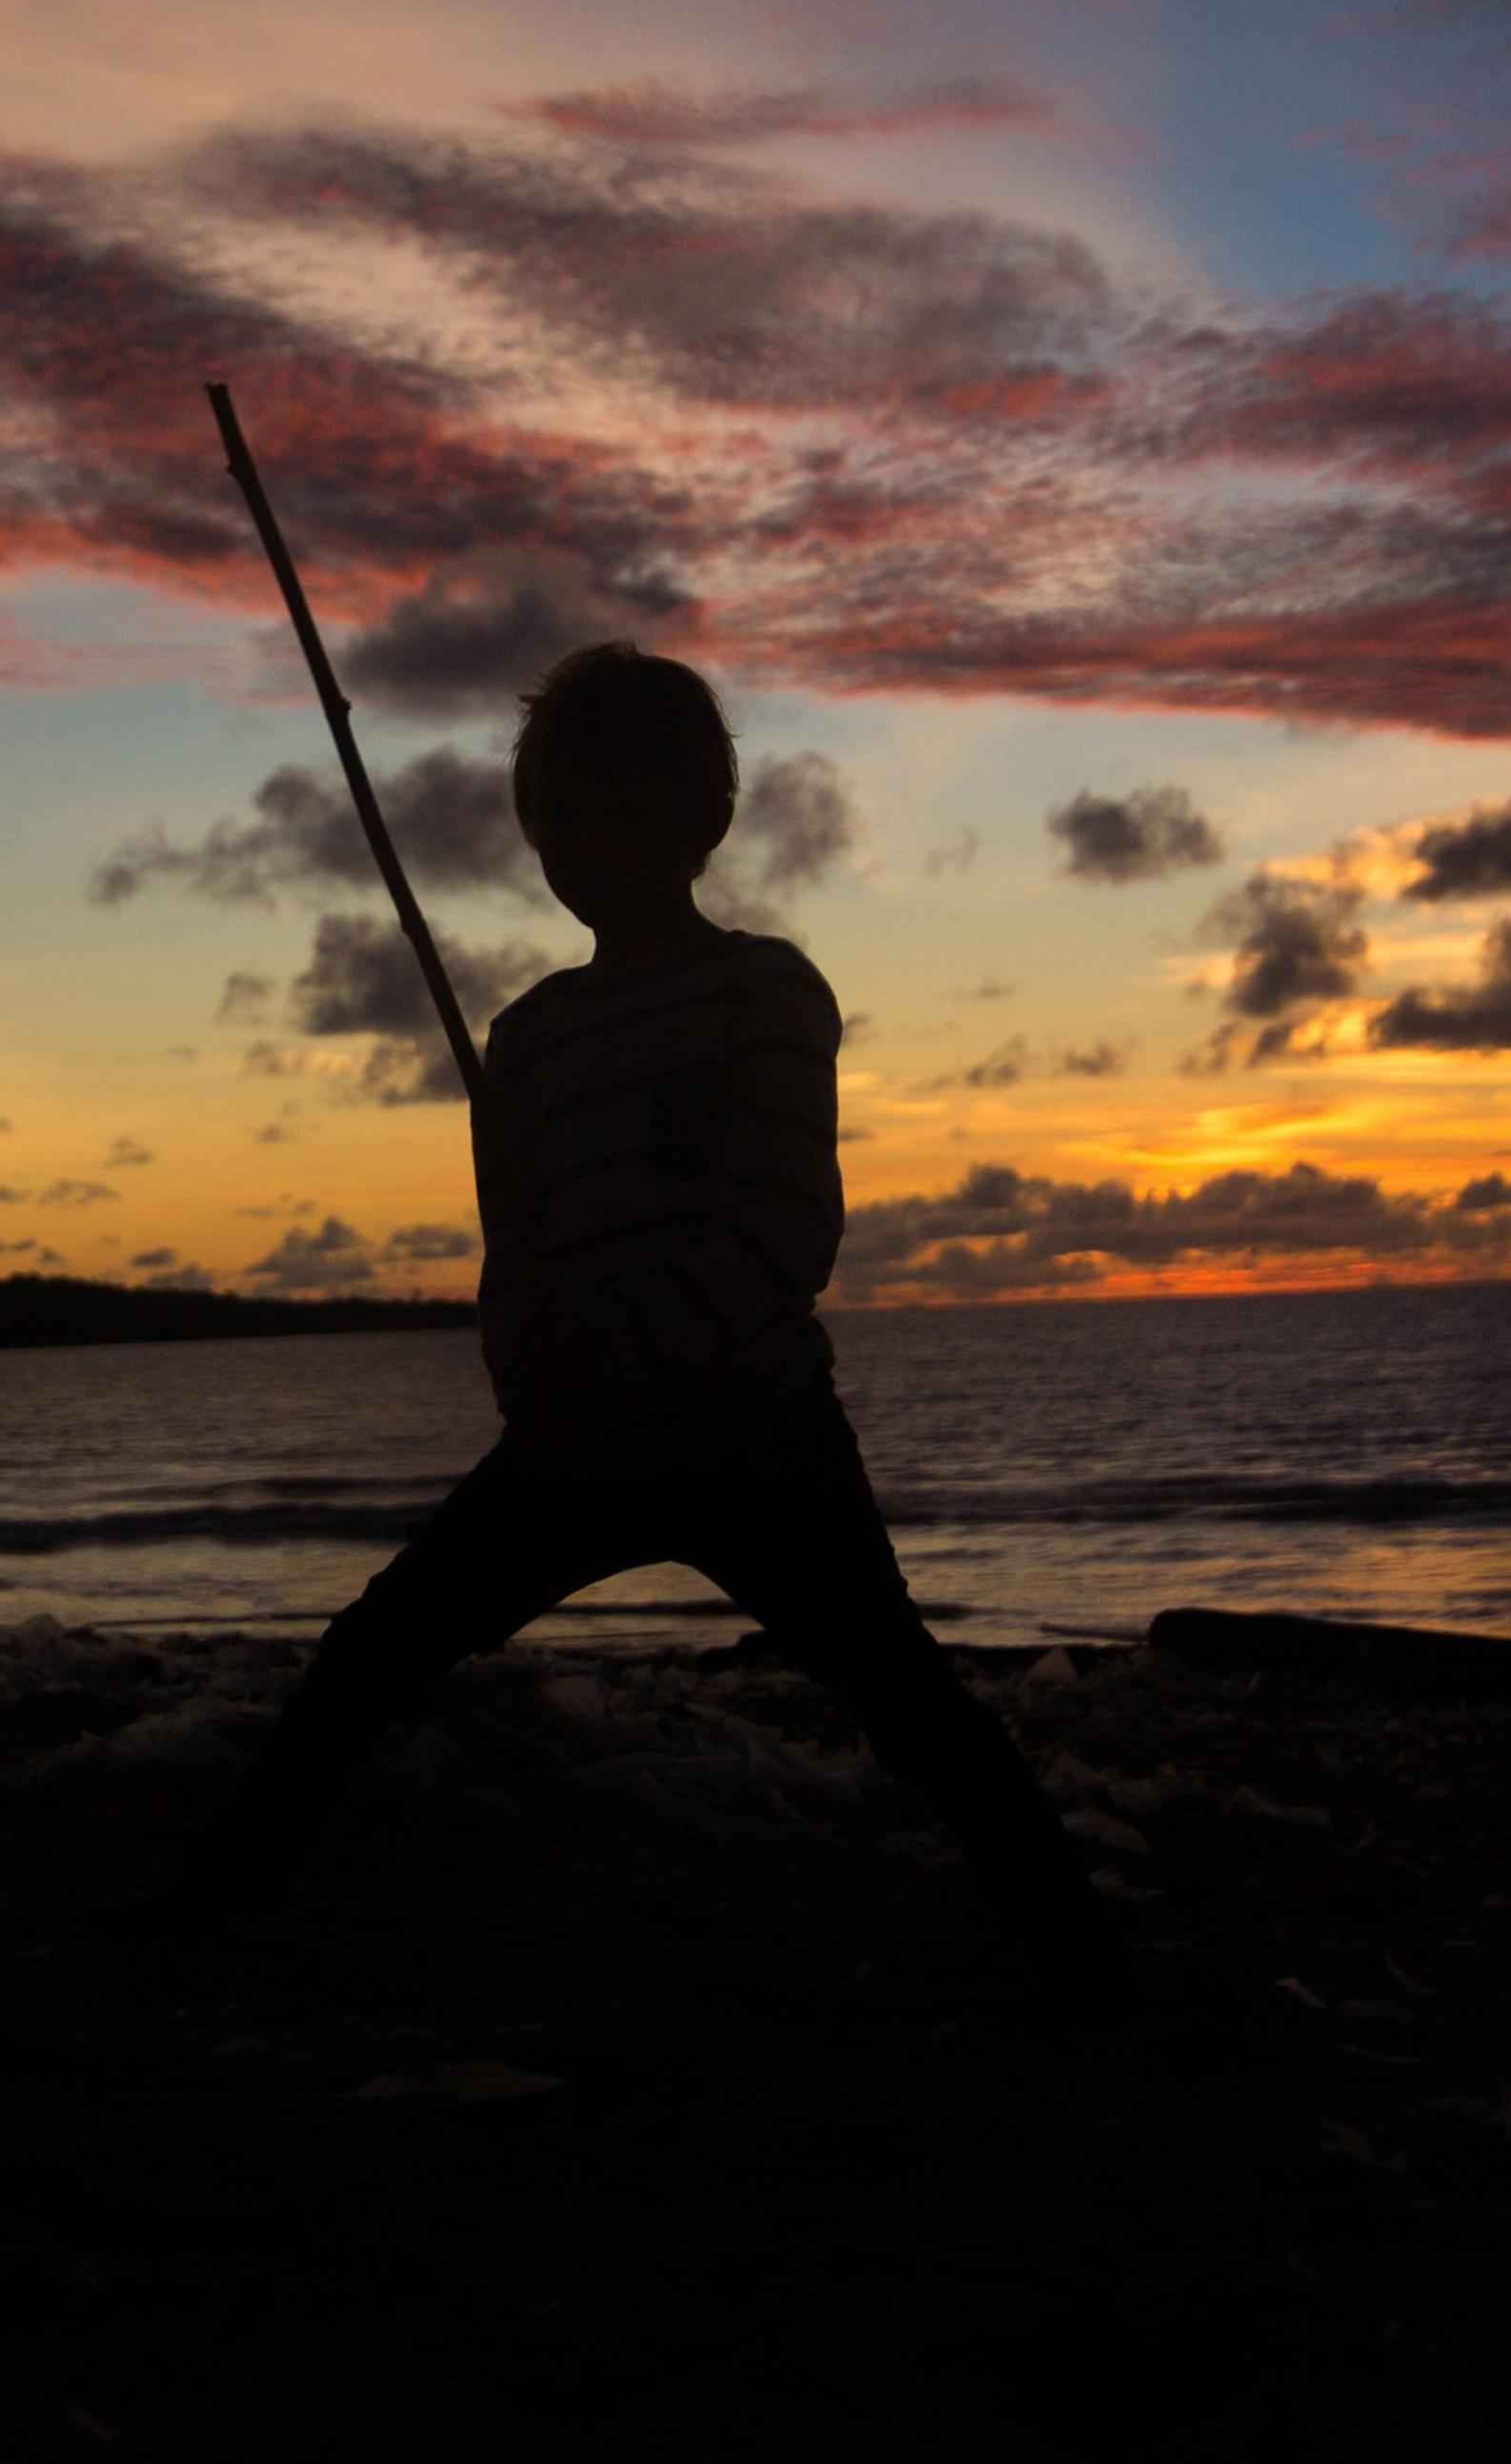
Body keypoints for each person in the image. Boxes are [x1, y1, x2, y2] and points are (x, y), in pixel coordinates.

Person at [184, 640, 1130, 2016]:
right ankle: (216, 1904)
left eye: (617, 812)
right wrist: (535, 1389)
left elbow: (785, 1227)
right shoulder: (525, 1042)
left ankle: (1081, 1956)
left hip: (758, 1433)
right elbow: (515, 1260)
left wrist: (617, 1356)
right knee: (375, 1652)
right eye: (557, 818)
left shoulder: (768, 993)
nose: (583, 846)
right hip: (575, 1445)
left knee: (904, 1697)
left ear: (703, 819)